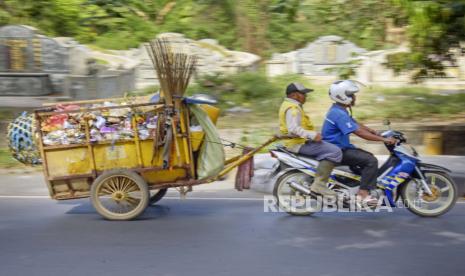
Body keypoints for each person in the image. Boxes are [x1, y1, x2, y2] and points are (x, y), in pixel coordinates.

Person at [321, 80, 396, 205]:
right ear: (343, 96)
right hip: (337, 150)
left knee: (362, 157)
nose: (354, 97)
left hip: (339, 148)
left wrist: (374, 132)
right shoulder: (338, 113)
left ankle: (354, 187)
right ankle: (363, 195)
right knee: (371, 160)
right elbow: (359, 133)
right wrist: (385, 139)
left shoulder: (339, 109)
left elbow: (355, 123)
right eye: (352, 95)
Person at [279, 82, 343, 197]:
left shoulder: (289, 105)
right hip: (298, 144)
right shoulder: (293, 108)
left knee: (328, 146)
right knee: (335, 151)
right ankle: (320, 184)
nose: (305, 96)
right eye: (303, 94)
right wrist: (312, 135)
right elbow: (293, 129)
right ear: (294, 95)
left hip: (299, 142)